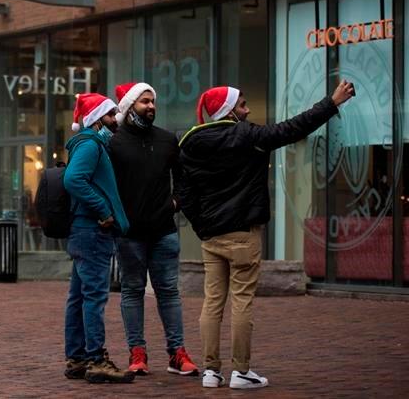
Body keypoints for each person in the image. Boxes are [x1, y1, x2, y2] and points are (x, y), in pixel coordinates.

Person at [178, 80, 356, 390]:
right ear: (229, 112)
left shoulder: (190, 144)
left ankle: (210, 372)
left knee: (212, 302)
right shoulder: (248, 136)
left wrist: (202, 225)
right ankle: (241, 371)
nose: (247, 110)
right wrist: (332, 102)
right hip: (243, 234)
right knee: (242, 301)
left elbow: (184, 193)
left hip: (211, 237)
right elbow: (293, 128)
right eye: (242, 105)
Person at [108, 82, 197, 377]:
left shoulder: (167, 139)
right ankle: (137, 353)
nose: (151, 106)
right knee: (132, 291)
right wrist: (113, 215)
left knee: (168, 292)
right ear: (129, 106)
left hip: (164, 231)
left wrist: (176, 202)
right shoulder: (114, 142)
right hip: (129, 234)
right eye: (144, 101)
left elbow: (184, 178)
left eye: (153, 102)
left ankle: (177, 353)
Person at [62, 92, 135, 385]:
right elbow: (73, 179)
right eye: (110, 115)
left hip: (84, 231)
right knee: (93, 297)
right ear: (95, 119)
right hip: (93, 231)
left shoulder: (87, 143)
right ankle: (96, 360)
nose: (115, 120)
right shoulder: (91, 144)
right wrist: (103, 210)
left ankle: (77, 358)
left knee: (79, 296)